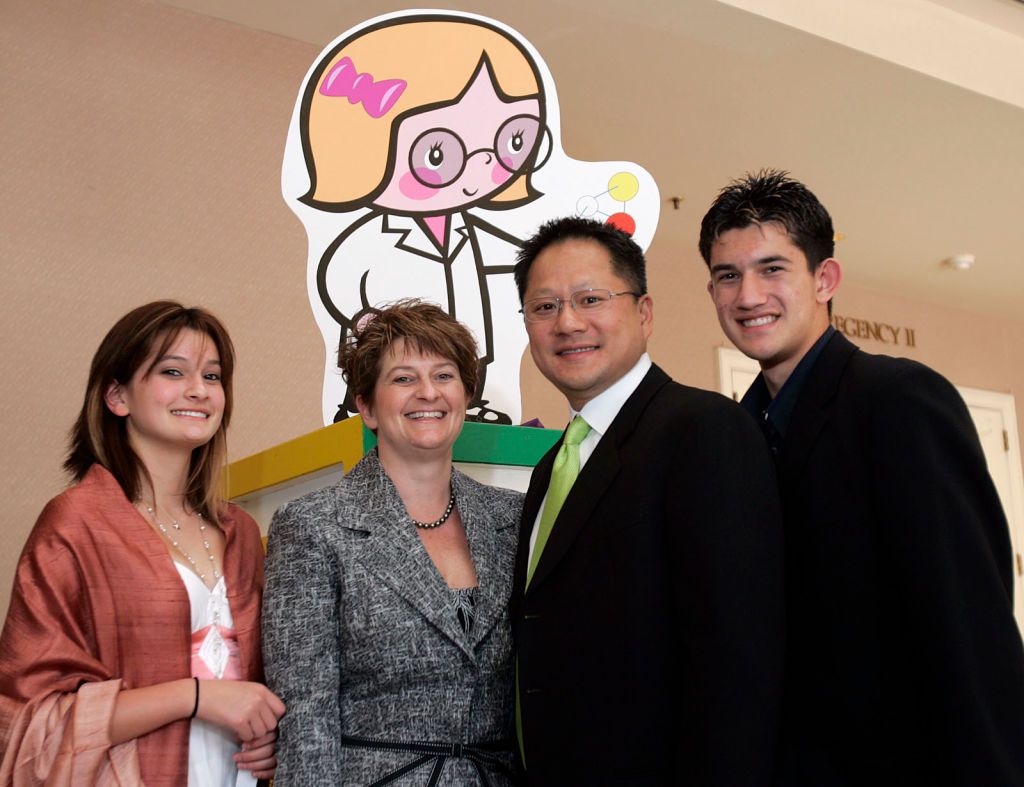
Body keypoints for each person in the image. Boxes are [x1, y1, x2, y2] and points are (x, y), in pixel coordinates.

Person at [700, 169, 1024, 785]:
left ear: (825, 279)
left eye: (773, 269)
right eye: (727, 275)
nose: (748, 296)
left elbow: (970, 628)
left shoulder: (899, 400)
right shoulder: (733, 433)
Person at [511, 217, 785, 784]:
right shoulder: (550, 467)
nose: (567, 322)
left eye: (591, 298)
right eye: (544, 307)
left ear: (644, 313)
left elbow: (740, 659)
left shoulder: (705, 431)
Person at [0, 301, 284, 787]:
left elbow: (265, 684)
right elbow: (29, 718)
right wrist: (194, 696)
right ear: (118, 396)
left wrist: (271, 735)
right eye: (173, 371)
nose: (198, 390)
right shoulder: (76, 524)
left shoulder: (239, 533)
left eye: (213, 377)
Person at [262, 300, 524, 785]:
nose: (428, 393)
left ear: (466, 395)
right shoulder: (312, 526)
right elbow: (305, 715)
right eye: (404, 378)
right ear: (366, 406)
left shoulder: (513, 518)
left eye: (444, 376)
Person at [295, 13, 552, 424]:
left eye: (511, 140)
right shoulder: (370, 238)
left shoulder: (471, 232)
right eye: (439, 153)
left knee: (458, 352)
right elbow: (339, 276)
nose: (481, 167)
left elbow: (512, 252)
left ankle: (467, 393)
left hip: (462, 335)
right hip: (383, 345)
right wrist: (366, 319)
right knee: (394, 359)